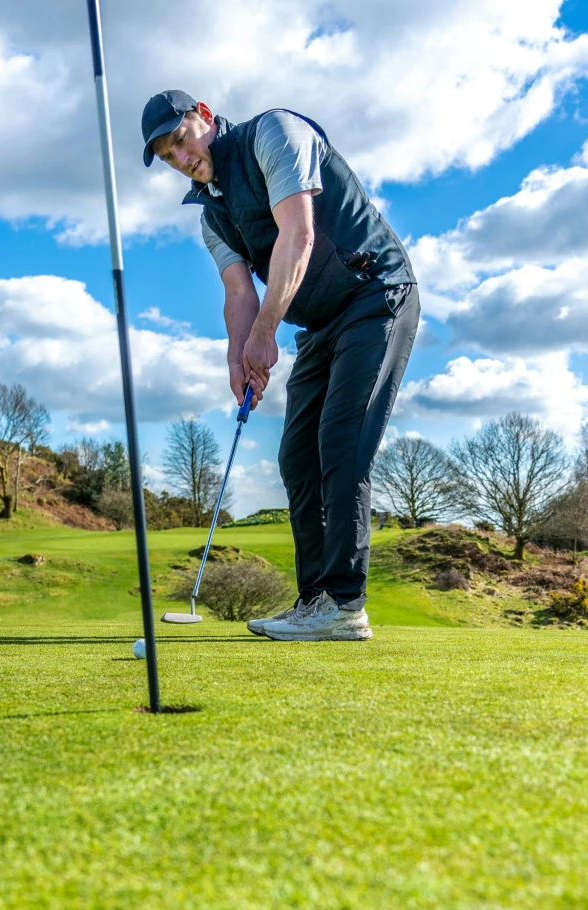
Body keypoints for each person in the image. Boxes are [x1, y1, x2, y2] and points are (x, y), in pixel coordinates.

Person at [141, 90, 419, 641]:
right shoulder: (211, 215)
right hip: (319, 323)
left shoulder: (276, 132)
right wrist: (238, 355)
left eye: (179, 140)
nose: (179, 158)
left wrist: (266, 335)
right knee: (297, 457)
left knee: (341, 444)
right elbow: (238, 293)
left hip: (374, 294)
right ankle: (314, 600)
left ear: (203, 115)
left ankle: (344, 606)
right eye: (167, 157)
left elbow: (299, 232)